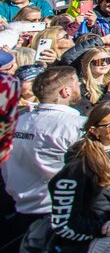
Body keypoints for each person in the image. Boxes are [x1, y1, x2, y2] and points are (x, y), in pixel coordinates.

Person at [3, 67, 86, 248]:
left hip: (15, 211)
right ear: (65, 91)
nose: (79, 84)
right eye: (76, 82)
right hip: (56, 217)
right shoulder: (77, 127)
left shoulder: (18, 121)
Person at [47, 101, 110, 253]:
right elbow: (65, 224)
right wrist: (105, 229)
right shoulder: (78, 165)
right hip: (84, 240)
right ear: (95, 130)